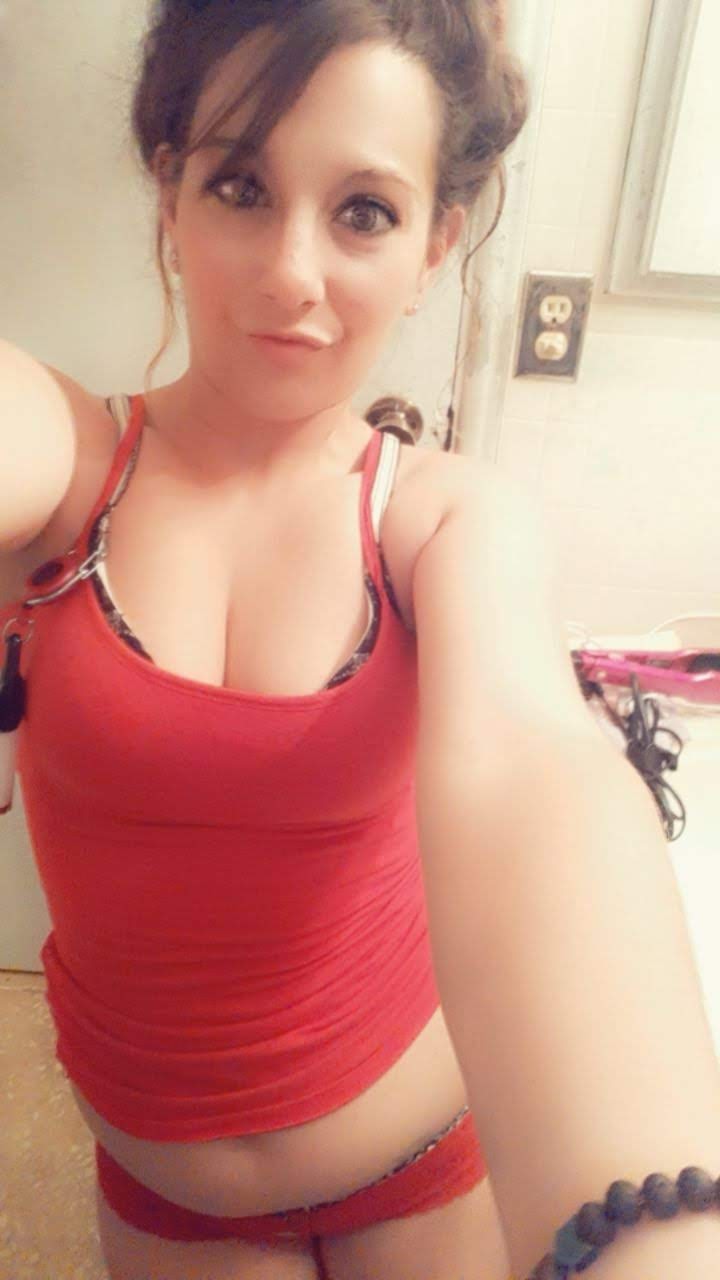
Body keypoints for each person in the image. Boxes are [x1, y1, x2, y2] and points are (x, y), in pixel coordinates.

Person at [2, 3, 720, 1279]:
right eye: (240, 186)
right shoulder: (63, 466)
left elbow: (533, 776)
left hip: (425, 1166)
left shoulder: (442, 517)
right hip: (167, 1198)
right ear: (168, 190)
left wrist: (658, 1227)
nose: (293, 271)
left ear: (435, 243)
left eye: (364, 211)